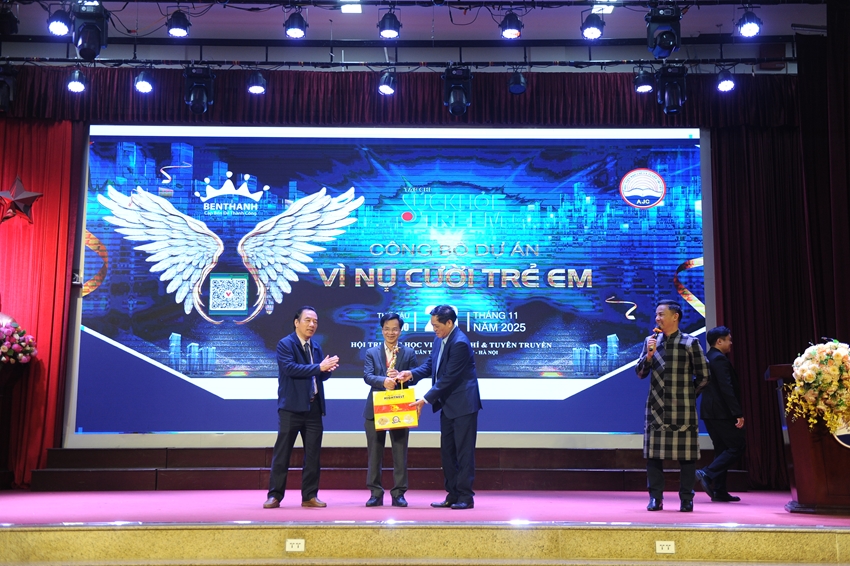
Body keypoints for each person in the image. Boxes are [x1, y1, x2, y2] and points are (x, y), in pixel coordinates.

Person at [399, 305, 482, 510]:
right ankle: (452, 494)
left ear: (449, 323)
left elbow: (448, 378)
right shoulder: (439, 339)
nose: (433, 328)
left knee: (463, 453)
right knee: (448, 452)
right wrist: (411, 374)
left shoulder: (460, 343)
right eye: (432, 325)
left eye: (436, 325)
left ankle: (465, 497)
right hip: (448, 405)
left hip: (463, 406)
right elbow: (431, 365)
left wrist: (425, 400)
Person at [635, 299, 710, 513]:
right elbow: (640, 373)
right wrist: (649, 355)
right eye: (656, 314)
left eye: (661, 314)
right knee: (653, 456)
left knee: (687, 457)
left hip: (682, 409)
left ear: (675, 316)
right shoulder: (650, 341)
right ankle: (655, 498)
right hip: (656, 408)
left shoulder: (690, 343)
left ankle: (686, 499)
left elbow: (704, 375)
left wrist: (688, 394)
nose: (657, 318)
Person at [264, 306, 339, 509]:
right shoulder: (286, 344)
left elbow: (318, 375)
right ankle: (275, 495)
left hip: (313, 408)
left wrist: (327, 369)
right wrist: (319, 367)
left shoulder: (316, 347)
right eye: (308, 320)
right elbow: (290, 369)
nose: (312, 325)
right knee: (283, 454)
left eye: (315, 321)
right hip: (291, 408)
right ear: (296, 322)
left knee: (313, 455)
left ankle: (309, 496)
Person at [362, 312, 420, 507]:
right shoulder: (371, 352)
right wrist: (383, 381)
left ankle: (399, 494)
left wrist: (403, 376)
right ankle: (375, 493)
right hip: (375, 408)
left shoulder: (408, 352)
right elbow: (367, 376)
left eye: (395, 329)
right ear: (382, 330)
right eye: (387, 329)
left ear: (400, 330)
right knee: (374, 453)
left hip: (399, 407)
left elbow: (415, 377)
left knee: (400, 452)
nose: (391, 332)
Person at [696, 326, 745, 503]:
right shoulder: (719, 359)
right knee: (737, 446)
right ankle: (707, 473)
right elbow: (726, 388)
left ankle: (719, 491)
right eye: (728, 339)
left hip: (710, 411)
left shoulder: (708, 357)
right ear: (719, 341)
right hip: (721, 412)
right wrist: (737, 412)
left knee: (722, 449)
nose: (731, 343)